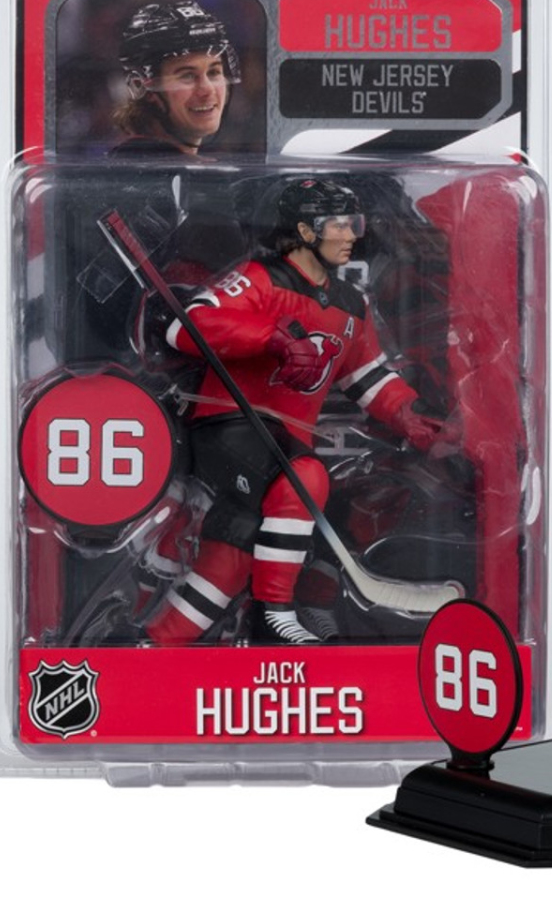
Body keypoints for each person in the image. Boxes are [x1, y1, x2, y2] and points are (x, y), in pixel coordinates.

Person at [141, 176, 446, 646]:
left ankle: (158, 643)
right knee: (305, 477)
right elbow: (186, 327)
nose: (351, 235)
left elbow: (366, 378)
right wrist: (269, 338)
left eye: (354, 224)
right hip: (228, 425)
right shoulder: (260, 279)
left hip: (283, 442)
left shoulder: (352, 305)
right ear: (305, 231)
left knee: (238, 544)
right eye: (339, 225)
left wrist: (409, 414)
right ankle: (274, 615)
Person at [111, 0, 239, 157]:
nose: (207, 90)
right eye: (187, 76)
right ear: (141, 86)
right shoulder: (140, 165)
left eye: (213, 72)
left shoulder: (184, 163)